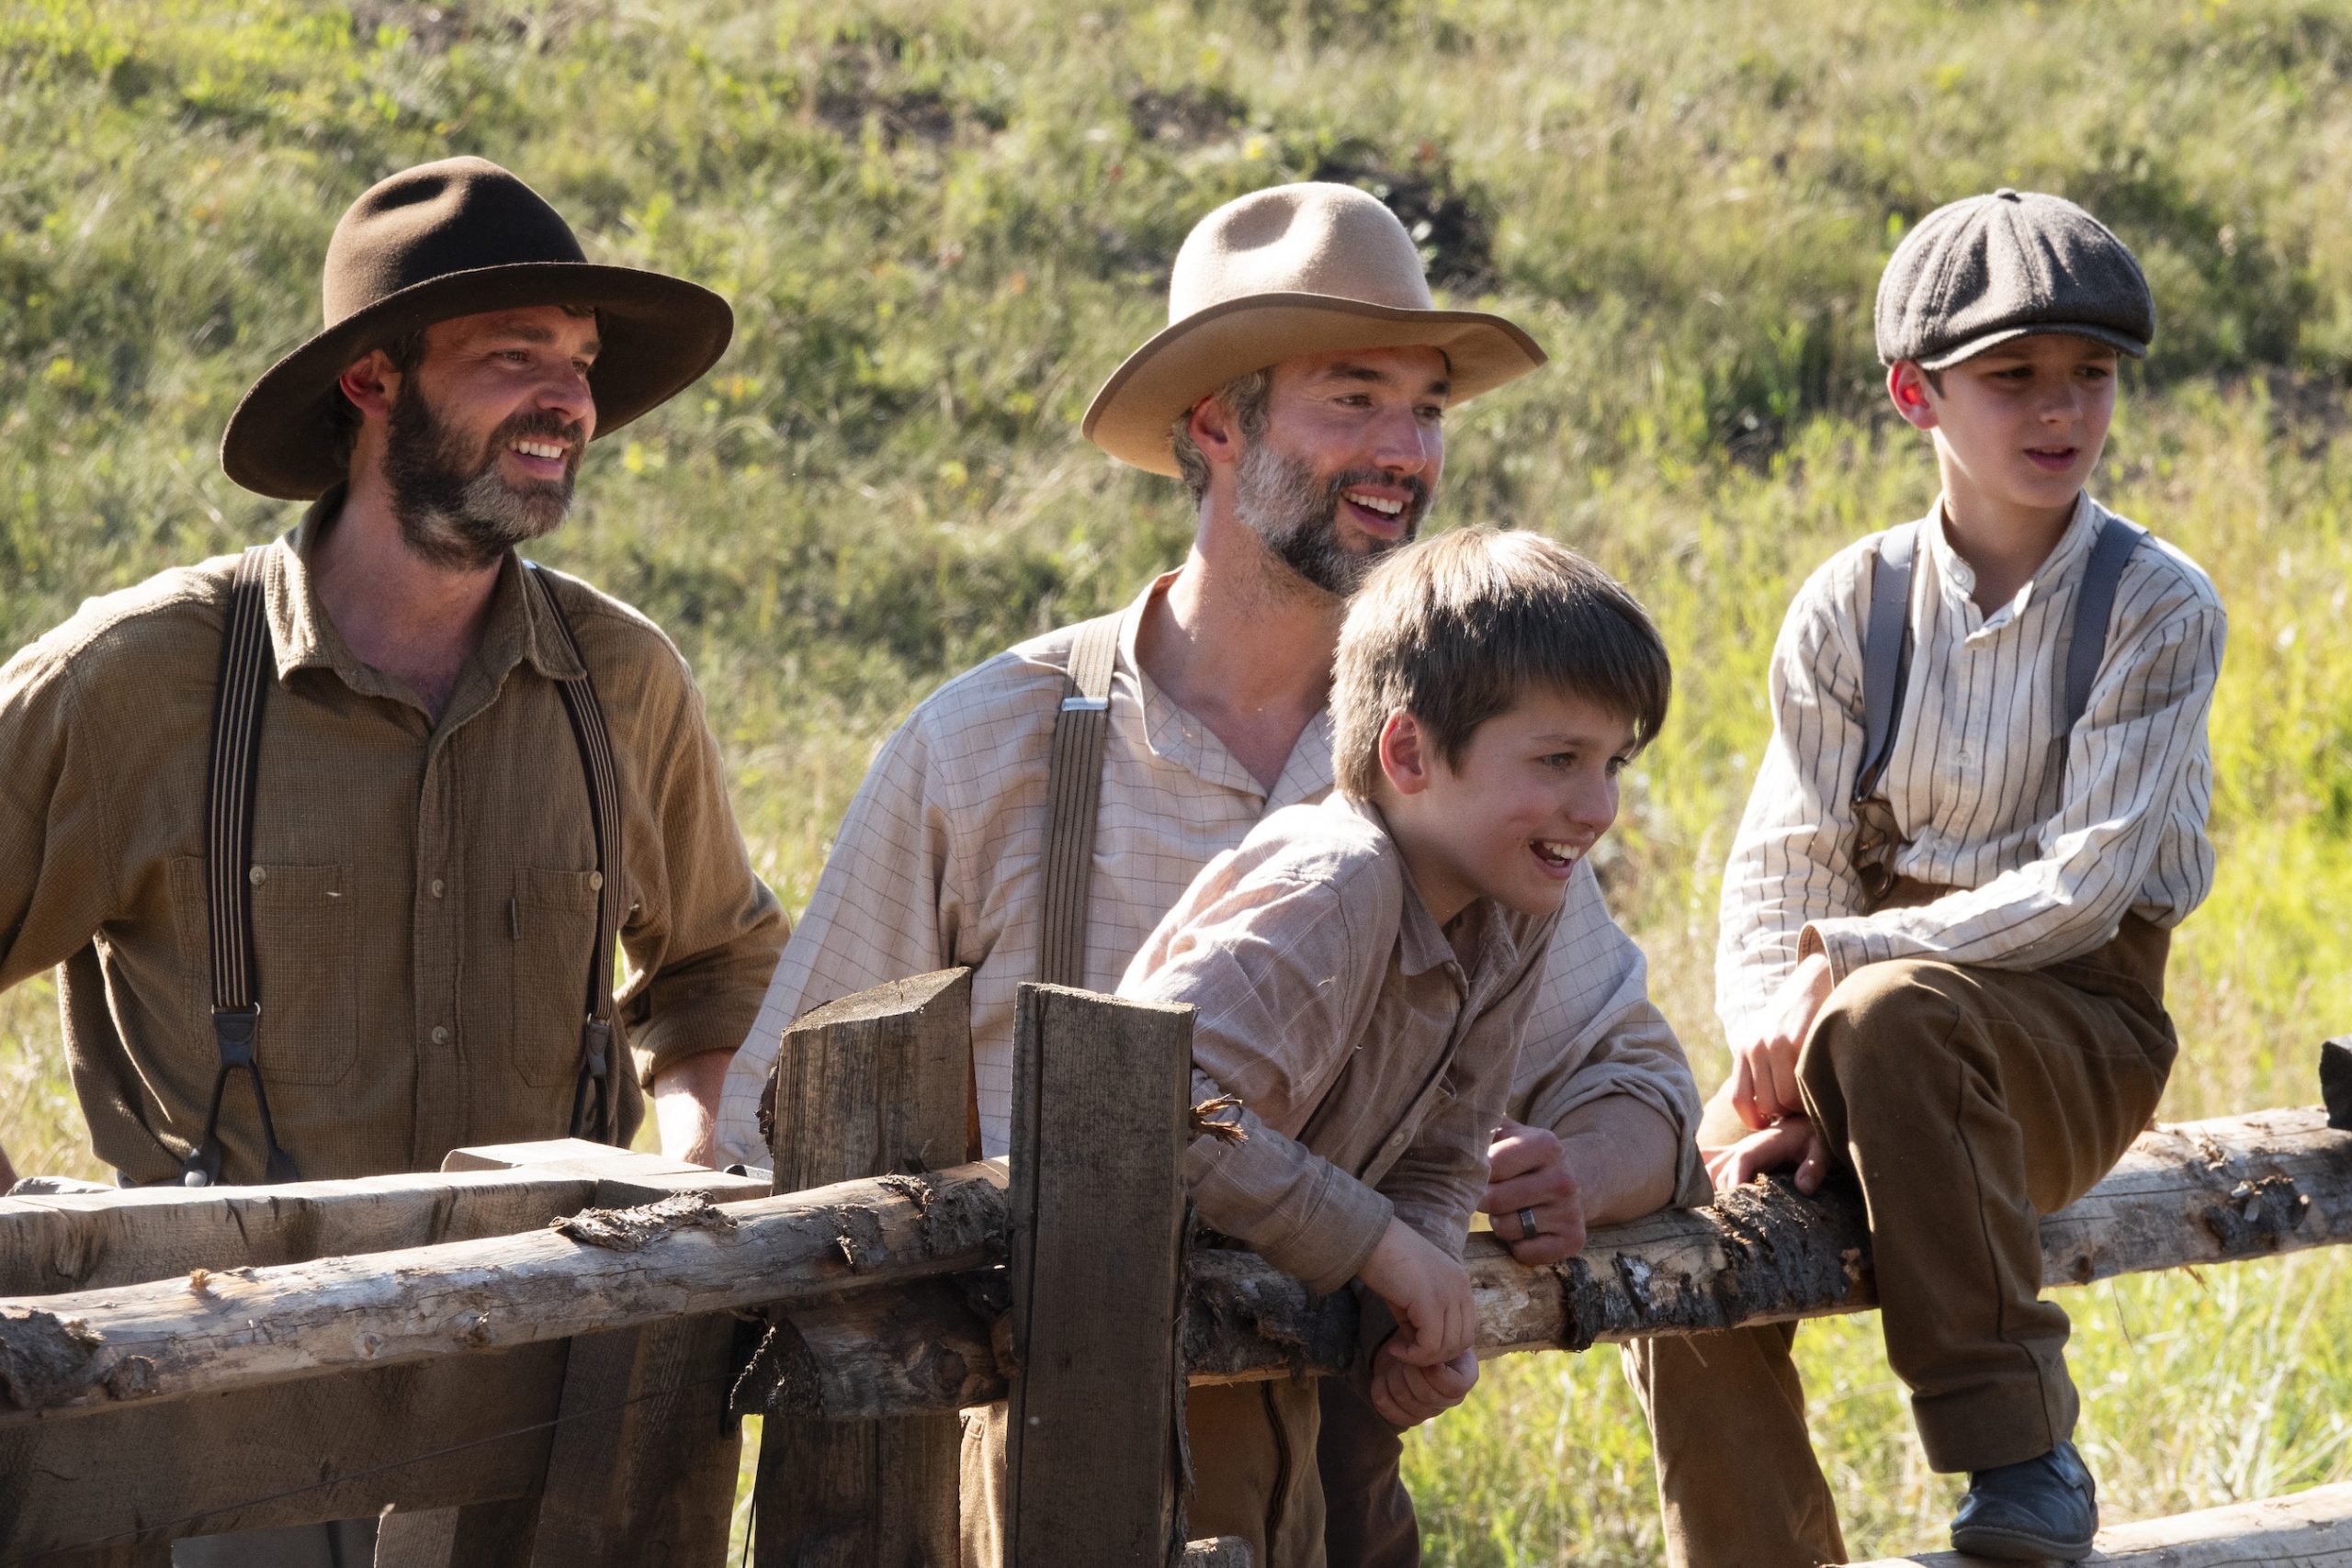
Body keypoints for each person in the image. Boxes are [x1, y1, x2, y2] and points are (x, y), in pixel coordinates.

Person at [715, 180, 1705, 1564]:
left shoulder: (1474, 769)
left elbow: (1643, 1089)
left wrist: (1558, 1181)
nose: (1404, 450)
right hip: (1039, 1450)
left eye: (1425, 408)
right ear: (1215, 426)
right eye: (1352, 398)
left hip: (1322, 1448)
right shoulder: (987, 742)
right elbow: (776, 1135)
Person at [0, 156, 787, 1561]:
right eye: (515, 356)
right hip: (217, 1432)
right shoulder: (144, 678)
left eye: (581, 363)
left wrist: (692, 1186)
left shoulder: (620, 680)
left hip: (539, 1421)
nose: (570, 400)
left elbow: (718, 972)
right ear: (372, 380)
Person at [1631, 189, 2226, 1565]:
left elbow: (2086, 888)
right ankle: (1754, 1552)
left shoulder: (2154, 602)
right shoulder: (1853, 602)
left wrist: (1849, 971)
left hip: (2071, 1027)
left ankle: (2020, 1450)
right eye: (2011, 376)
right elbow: (1780, 863)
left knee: (1892, 1012)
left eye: (2090, 374)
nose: (2060, 409)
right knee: (1677, 1212)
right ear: (1916, 394)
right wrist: (1781, 1064)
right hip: (1853, 1027)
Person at [1121, 527, 1674, 1564]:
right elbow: (1143, 1104)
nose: (1597, 807)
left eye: (1612, 763)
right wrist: (1384, 1249)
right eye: (1558, 760)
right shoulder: (1338, 883)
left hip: (1285, 1351)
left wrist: (1419, 1311)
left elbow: (1446, 1147)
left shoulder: (1510, 907)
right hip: (1133, 1365)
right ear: (1409, 753)